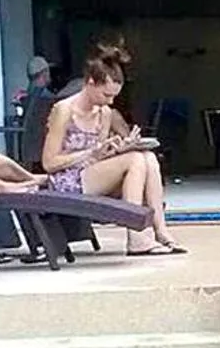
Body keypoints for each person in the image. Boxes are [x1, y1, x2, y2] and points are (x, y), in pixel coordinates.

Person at [42, 41, 186, 256]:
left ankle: (161, 229)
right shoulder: (64, 111)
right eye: (105, 95)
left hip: (92, 174)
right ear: (90, 83)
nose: (109, 101)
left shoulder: (105, 113)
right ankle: (136, 237)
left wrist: (117, 150)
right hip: (67, 179)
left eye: (113, 97)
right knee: (136, 160)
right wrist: (89, 153)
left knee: (147, 157)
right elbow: (49, 163)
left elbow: (99, 158)